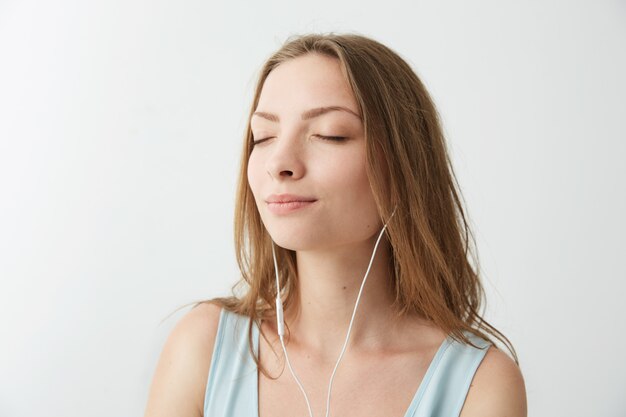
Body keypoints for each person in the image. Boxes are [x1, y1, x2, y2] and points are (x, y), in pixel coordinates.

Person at [143, 33, 527, 417]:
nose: (280, 162)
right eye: (264, 136)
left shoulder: (481, 383)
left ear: (403, 167)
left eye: (330, 134)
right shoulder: (202, 348)